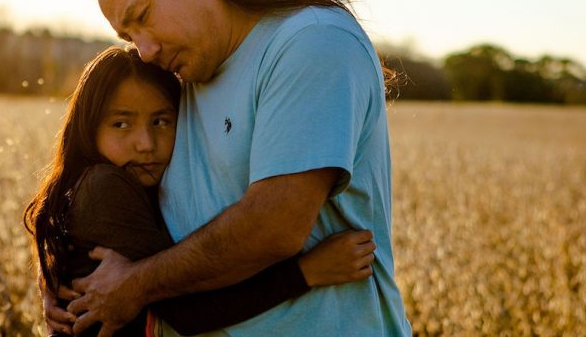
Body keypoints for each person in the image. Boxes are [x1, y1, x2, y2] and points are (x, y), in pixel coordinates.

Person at [51, 0, 414, 336]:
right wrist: (61, 277)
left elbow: (274, 227)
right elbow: (102, 178)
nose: (145, 50)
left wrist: (133, 283)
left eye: (143, 15)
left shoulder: (311, 43)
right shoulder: (186, 72)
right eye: (129, 35)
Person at [24, 46, 379, 336]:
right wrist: (308, 272)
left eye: (161, 121)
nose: (146, 143)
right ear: (89, 129)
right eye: (121, 124)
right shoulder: (104, 187)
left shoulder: (137, 182)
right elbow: (187, 311)